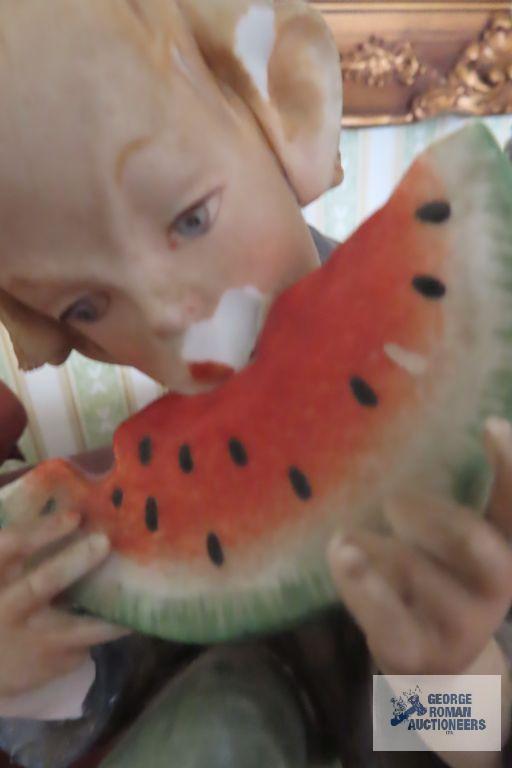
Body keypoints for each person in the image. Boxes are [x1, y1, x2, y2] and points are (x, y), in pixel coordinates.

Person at [0, 1, 510, 766]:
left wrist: (448, 678)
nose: (168, 316)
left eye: (192, 219)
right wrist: (27, 680)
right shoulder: (139, 481)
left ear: (291, 102)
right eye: (86, 304)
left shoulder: (474, 386)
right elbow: (117, 682)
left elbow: (471, 736)